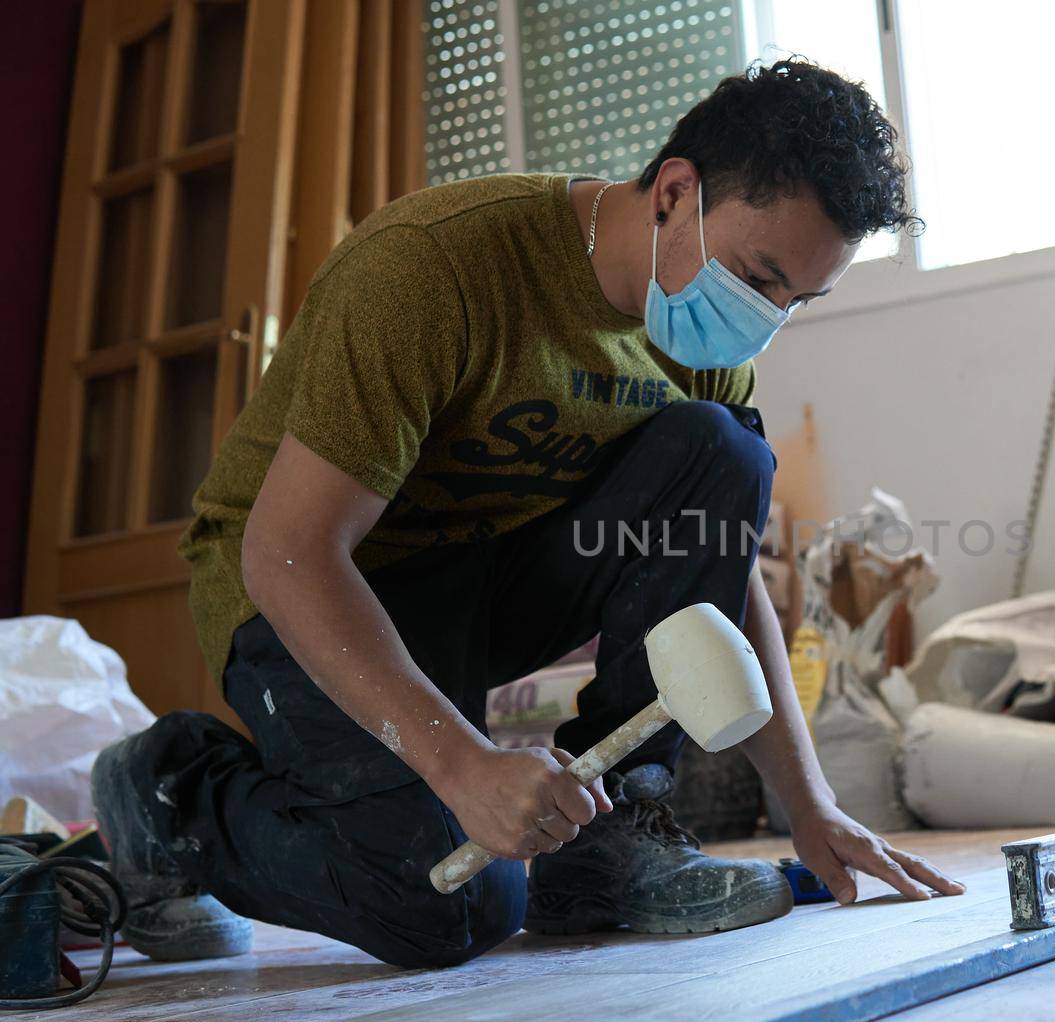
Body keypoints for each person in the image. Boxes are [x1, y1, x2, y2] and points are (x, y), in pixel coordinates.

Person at [90, 58, 963, 968]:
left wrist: (808, 801)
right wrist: (460, 763)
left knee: (726, 452)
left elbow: (718, 576)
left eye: (797, 299)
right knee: (448, 901)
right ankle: (170, 791)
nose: (766, 316)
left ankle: (611, 840)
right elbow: (289, 552)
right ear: (674, 191)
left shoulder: (702, 346)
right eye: (759, 276)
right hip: (298, 587)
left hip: (478, 587)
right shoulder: (436, 267)